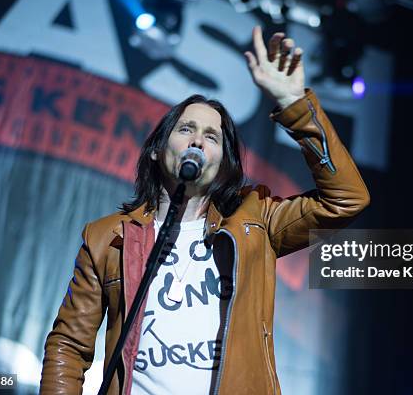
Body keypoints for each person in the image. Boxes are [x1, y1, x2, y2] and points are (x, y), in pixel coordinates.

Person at [40, 26, 370, 395]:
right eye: (186, 129)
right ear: (156, 150)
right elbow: (68, 345)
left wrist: (294, 105)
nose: (198, 139)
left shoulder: (255, 220)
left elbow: (346, 198)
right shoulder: (106, 238)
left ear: (224, 165)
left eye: (212, 137)